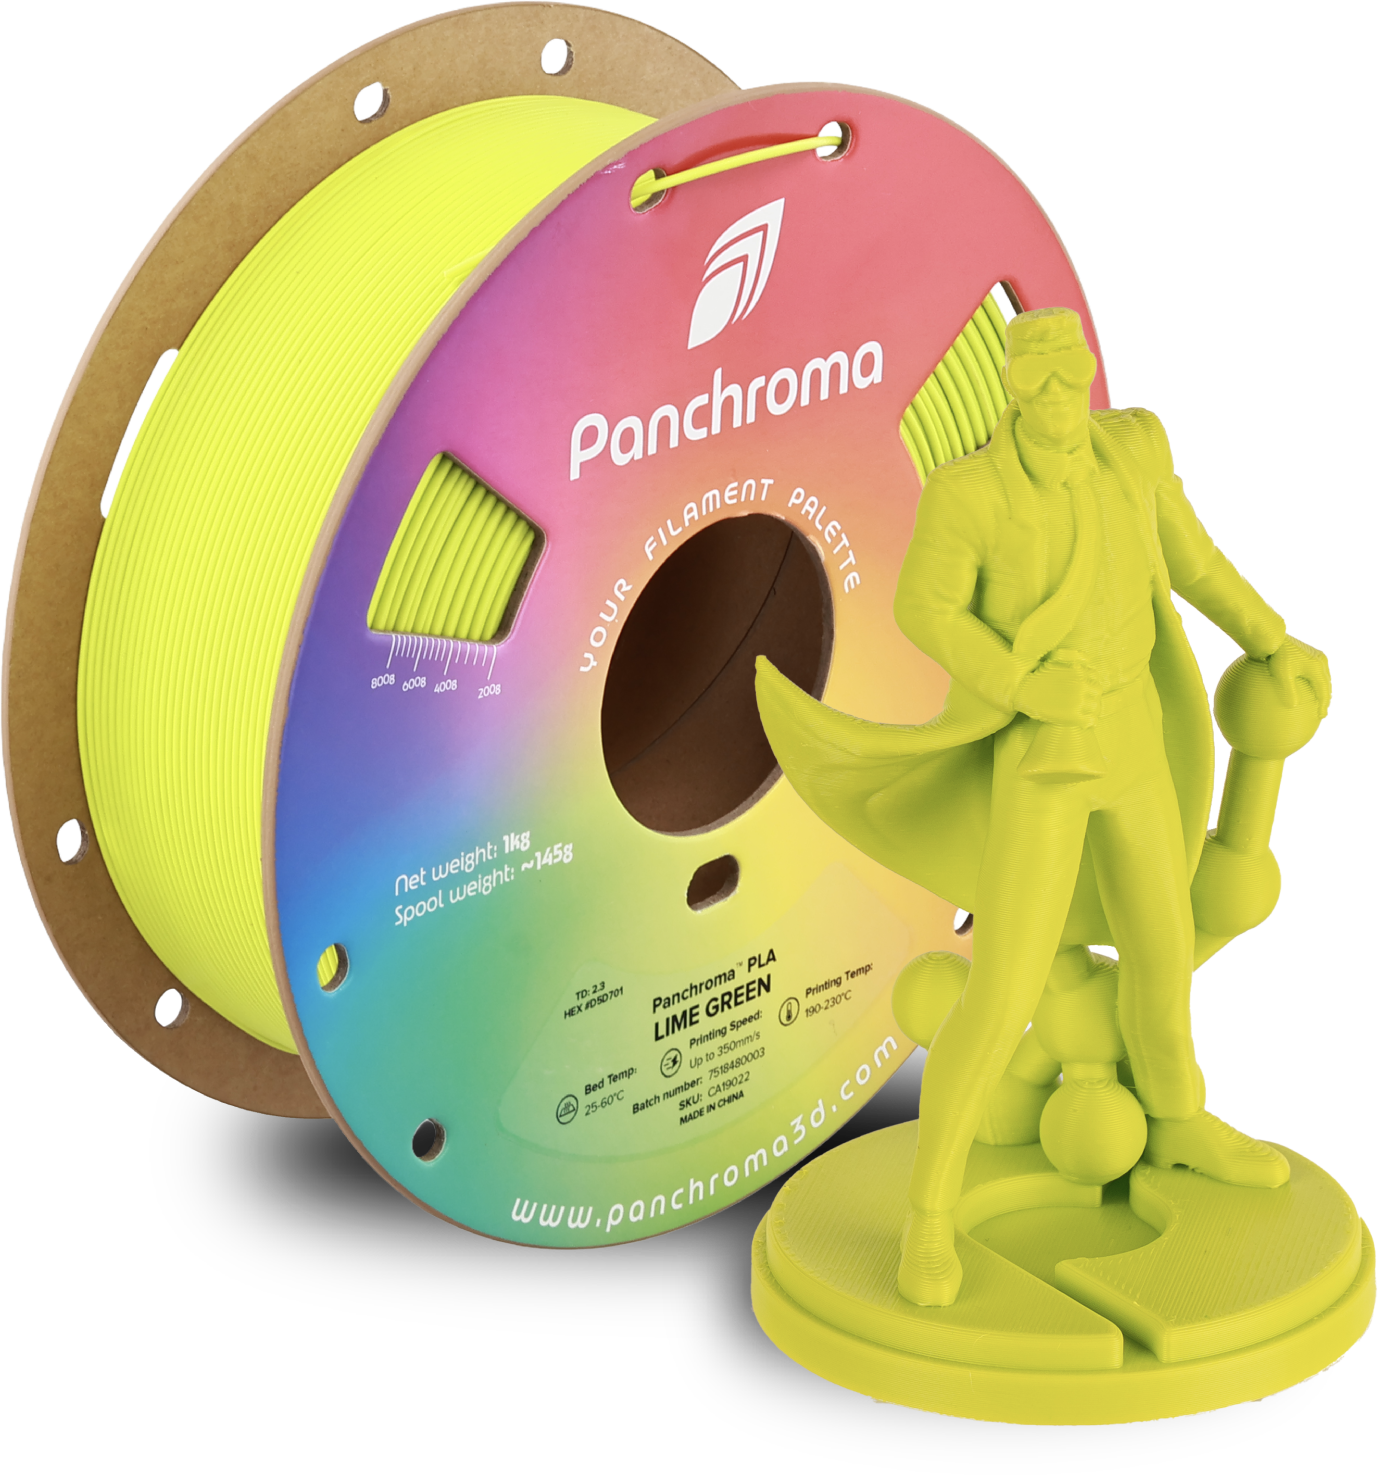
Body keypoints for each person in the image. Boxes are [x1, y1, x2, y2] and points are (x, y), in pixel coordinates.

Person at [754, 306, 1332, 1306]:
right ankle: (930, 1212)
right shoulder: (969, 494)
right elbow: (924, 609)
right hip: (1043, 758)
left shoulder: (1133, 449)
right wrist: (1021, 686)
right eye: (1043, 383)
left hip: (1135, 746)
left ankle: (1178, 1118)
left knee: (1162, 953)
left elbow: (1191, 559)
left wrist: (1272, 634)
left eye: (1074, 377)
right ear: (1014, 393)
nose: (1063, 399)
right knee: (1001, 991)